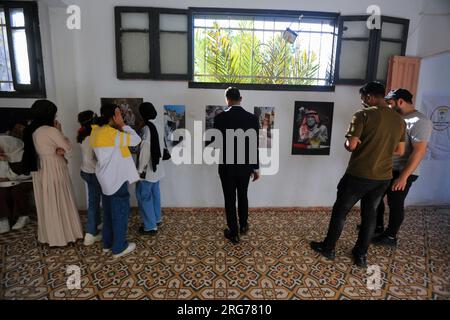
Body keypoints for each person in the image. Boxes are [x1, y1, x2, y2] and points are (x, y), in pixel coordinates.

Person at [310, 82, 406, 267]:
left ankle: (328, 247)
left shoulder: (362, 115)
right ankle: (360, 254)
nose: (362, 102)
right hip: (383, 177)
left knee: (341, 211)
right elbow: (400, 150)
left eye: (363, 99)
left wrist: (351, 144)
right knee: (369, 215)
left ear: (369, 97)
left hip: (359, 174)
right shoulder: (398, 120)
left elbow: (351, 145)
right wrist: (381, 149)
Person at [373, 89, 432, 246]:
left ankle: (390, 237)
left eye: (390, 103)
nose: (389, 106)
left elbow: (420, 151)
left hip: (403, 171)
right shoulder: (399, 117)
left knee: (395, 202)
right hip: (389, 168)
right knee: (376, 196)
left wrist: (403, 177)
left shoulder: (420, 121)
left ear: (400, 101)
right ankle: (377, 226)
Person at [24, 100, 83, 246]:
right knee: (59, 198)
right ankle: (65, 235)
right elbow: (68, 147)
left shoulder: (32, 130)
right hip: (54, 166)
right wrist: (60, 132)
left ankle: (49, 236)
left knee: (47, 201)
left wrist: (59, 148)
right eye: (54, 113)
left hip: (40, 167)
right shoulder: (50, 130)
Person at [90, 104, 141, 258]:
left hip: (105, 178)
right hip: (116, 178)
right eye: (118, 114)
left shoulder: (96, 131)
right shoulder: (111, 134)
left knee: (108, 213)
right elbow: (136, 140)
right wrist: (123, 125)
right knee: (119, 212)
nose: (121, 117)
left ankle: (108, 244)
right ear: (113, 116)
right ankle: (119, 247)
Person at [214, 87, 260, 244]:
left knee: (229, 198)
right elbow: (254, 146)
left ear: (227, 100)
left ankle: (233, 232)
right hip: (245, 166)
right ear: (241, 98)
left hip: (226, 167)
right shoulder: (252, 118)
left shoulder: (219, 118)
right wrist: (256, 168)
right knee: (243, 195)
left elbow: (215, 144)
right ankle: (244, 225)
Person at [136, 102, 165, 235]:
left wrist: (140, 170)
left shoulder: (147, 128)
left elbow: (145, 150)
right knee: (155, 194)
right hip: (157, 168)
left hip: (148, 169)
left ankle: (150, 226)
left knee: (144, 196)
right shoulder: (158, 125)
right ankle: (157, 218)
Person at [77, 110, 103, 246]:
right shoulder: (92, 136)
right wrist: (102, 168)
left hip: (86, 171)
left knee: (94, 200)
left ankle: (97, 224)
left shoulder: (82, 135)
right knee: (94, 202)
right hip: (93, 173)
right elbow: (91, 159)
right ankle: (90, 233)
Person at [0, 135, 33, 234]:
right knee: (1, 191)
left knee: (17, 190)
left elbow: (29, 174)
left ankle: (23, 216)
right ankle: (3, 220)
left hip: (28, 180)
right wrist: (3, 162)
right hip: (12, 181)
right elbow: (3, 174)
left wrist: (10, 177)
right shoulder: (5, 155)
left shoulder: (26, 155)